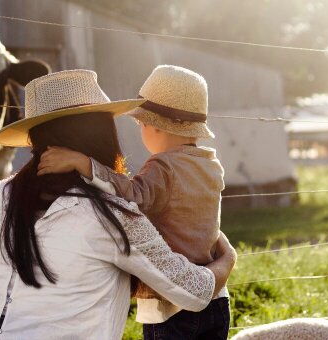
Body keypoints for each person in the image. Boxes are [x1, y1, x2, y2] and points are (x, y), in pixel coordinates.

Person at [0, 70, 236, 340]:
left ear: (35, 135)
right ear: (102, 133)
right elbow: (194, 292)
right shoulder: (110, 216)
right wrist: (227, 259)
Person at [38, 65, 230, 339]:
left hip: (173, 305)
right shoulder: (211, 164)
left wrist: (84, 164)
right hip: (217, 298)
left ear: (153, 127)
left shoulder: (163, 165)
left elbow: (133, 197)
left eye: (140, 124)